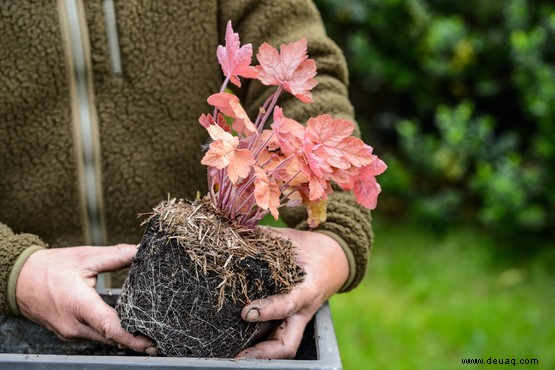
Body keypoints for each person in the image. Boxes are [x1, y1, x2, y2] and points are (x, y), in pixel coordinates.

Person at [0, 0, 373, 359]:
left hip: (224, 327)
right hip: (19, 329)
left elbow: (310, 78)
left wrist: (334, 236)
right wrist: (14, 270)